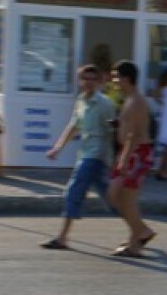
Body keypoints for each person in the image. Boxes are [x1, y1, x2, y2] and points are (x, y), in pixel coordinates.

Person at [40, 65, 118, 250]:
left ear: (99, 82)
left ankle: (62, 237)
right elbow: (73, 126)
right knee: (112, 198)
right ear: (80, 81)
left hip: (96, 155)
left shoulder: (105, 104)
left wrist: (113, 160)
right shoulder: (81, 101)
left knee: (73, 191)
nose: (88, 83)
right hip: (87, 153)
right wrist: (57, 148)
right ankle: (139, 230)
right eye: (85, 79)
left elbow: (113, 132)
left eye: (92, 79)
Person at [106, 60, 157, 258]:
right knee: (114, 195)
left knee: (127, 200)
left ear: (126, 78)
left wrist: (125, 159)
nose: (114, 81)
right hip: (129, 152)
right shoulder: (129, 99)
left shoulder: (136, 101)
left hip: (136, 153)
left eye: (116, 77)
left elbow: (134, 135)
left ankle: (136, 241)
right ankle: (140, 232)